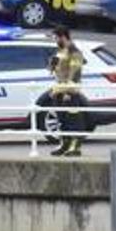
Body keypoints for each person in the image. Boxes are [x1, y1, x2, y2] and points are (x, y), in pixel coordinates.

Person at [41, 25, 88, 157]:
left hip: (70, 92)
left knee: (73, 119)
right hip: (59, 90)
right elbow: (56, 71)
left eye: (56, 37)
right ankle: (64, 144)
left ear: (63, 37)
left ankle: (75, 147)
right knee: (61, 119)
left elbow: (75, 73)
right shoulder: (60, 51)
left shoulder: (74, 51)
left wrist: (68, 91)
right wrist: (51, 65)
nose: (55, 40)